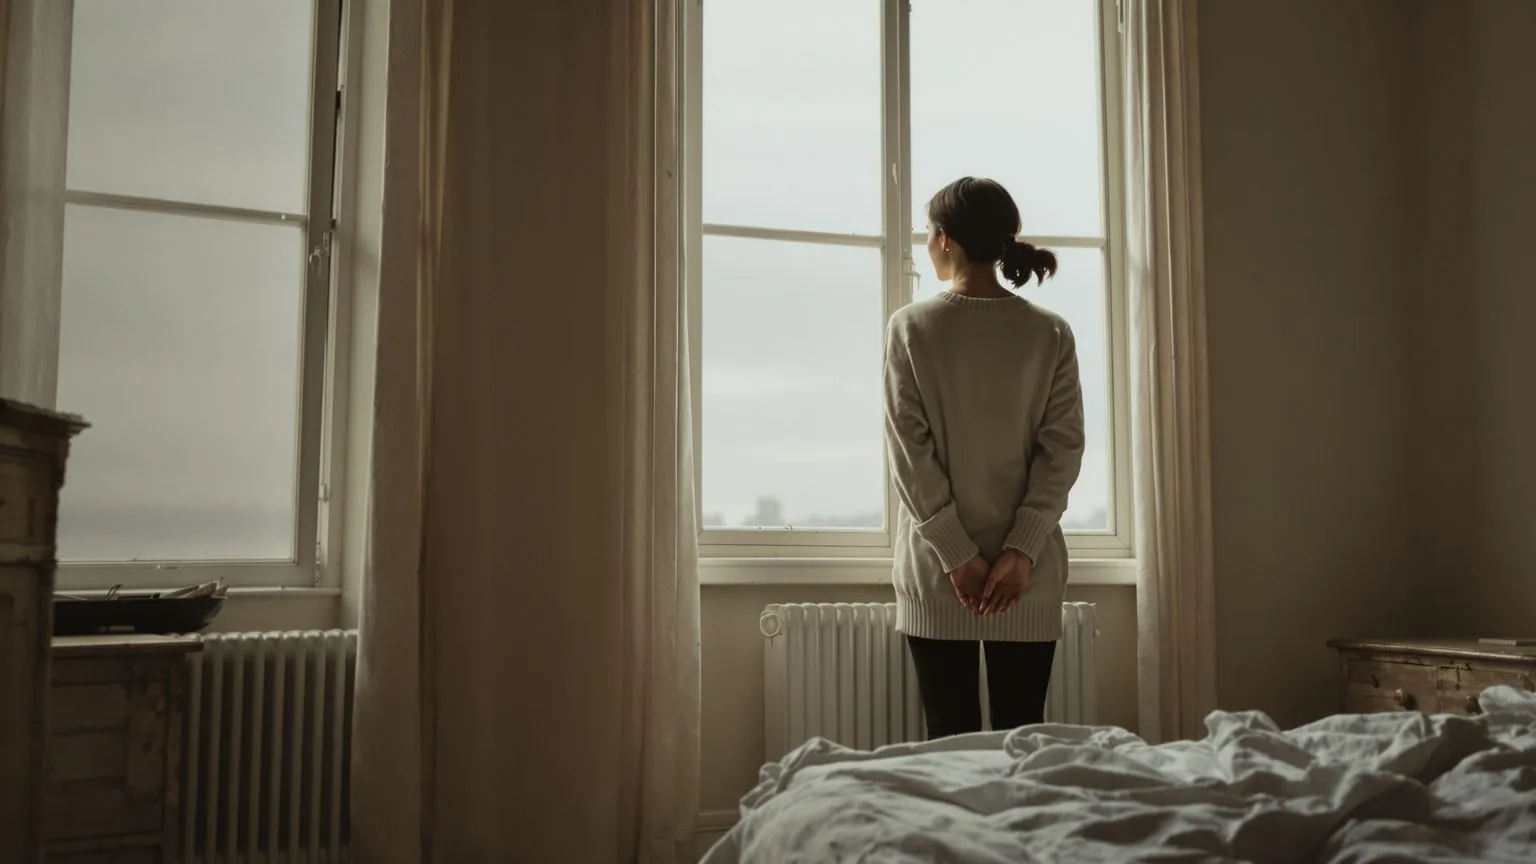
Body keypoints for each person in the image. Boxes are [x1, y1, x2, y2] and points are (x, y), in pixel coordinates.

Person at [884, 176, 1085, 739]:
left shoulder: (910, 328)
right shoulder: (1051, 332)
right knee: (1023, 738)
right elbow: (1063, 451)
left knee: (949, 744)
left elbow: (908, 453)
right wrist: (1019, 553)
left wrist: (956, 555)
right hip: (1029, 573)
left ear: (944, 241)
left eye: (928, 233)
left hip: (937, 572)